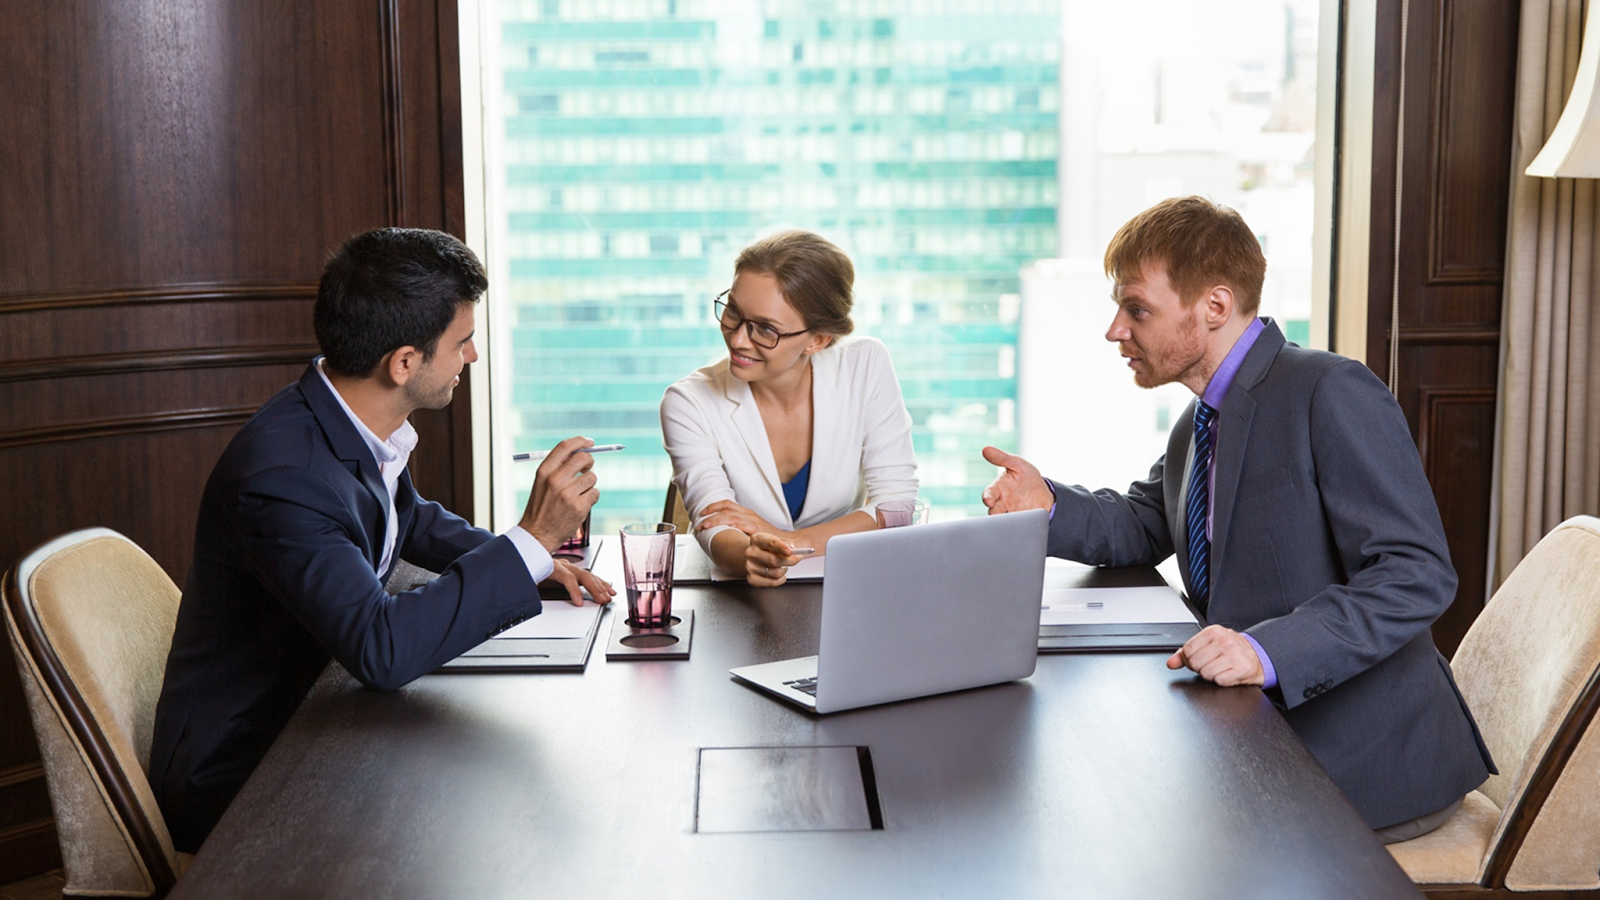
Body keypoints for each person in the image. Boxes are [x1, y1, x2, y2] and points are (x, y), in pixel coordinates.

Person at [981, 196, 1494, 841]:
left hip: (1359, 760)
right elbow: (1146, 521)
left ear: (1215, 307)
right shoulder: (1202, 419)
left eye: (1136, 309)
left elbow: (1415, 574)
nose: (1116, 330)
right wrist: (1047, 503)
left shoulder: (1330, 390)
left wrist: (1263, 649)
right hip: (1250, 729)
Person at [149, 228, 614, 852]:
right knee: (501, 817)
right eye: (463, 342)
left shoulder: (343, 416)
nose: (470, 357)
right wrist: (531, 538)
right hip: (245, 775)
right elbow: (381, 649)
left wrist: (532, 562)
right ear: (403, 362)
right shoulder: (283, 479)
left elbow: (408, 519)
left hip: (324, 715)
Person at [660, 230, 918, 585]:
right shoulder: (688, 401)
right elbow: (713, 522)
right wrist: (750, 554)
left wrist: (792, 544)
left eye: (766, 329)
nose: (737, 339)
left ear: (818, 339)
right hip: (740, 599)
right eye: (733, 311)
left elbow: (897, 507)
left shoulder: (865, 364)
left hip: (852, 586)